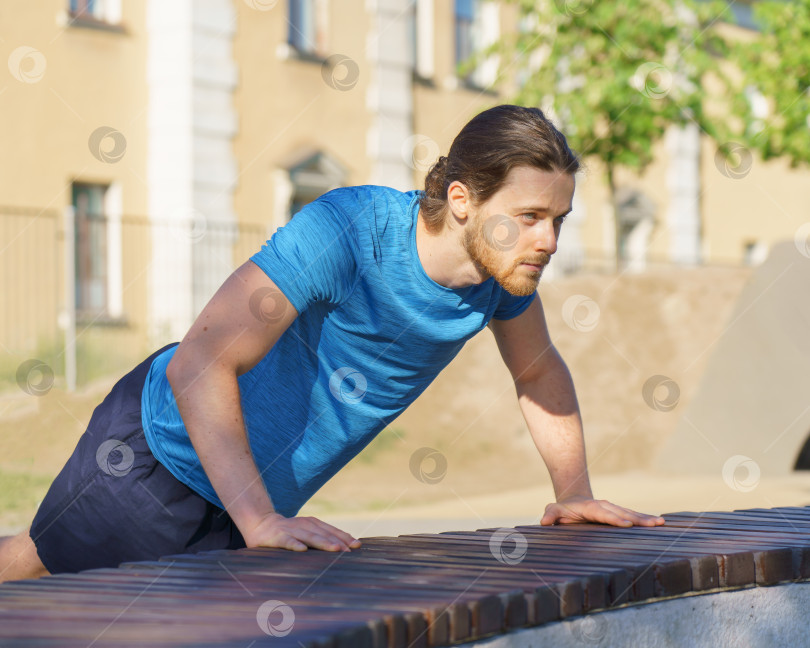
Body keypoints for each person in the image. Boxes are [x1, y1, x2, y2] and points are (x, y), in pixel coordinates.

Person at [0, 104, 664, 583]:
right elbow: (201, 363)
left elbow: (538, 371)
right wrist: (259, 520)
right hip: (155, 464)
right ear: (462, 200)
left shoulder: (501, 280)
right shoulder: (346, 231)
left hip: (252, 508)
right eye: (529, 218)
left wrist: (573, 492)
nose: (549, 242)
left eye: (558, 220)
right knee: (36, 566)